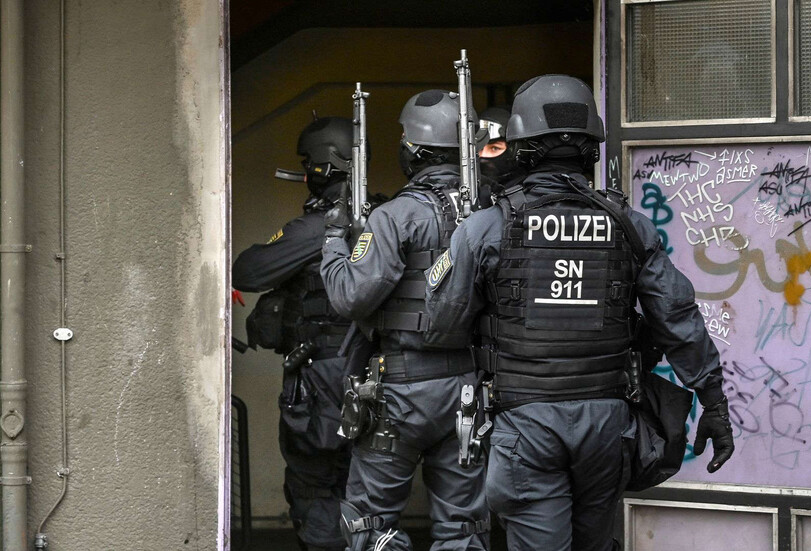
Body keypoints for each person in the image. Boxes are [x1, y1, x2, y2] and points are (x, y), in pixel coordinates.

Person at [425, 75, 734, 551]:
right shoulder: (629, 224)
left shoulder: (485, 227)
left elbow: (442, 326)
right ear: (591, 147)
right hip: (607, 423)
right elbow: (678, 319)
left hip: (525, 422)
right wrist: (713, 402)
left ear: (521, 145)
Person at [320, 90, 490, 551]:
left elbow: (350, 297)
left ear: (415, 149)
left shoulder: (395, 216)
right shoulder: (491, 213)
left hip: (400, 393)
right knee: (464, 528)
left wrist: (335, 240)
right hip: (467, 391)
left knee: (369, 524)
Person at [232, 116, 356, 551]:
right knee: (367, 487)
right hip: (378, 375)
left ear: (323, 163)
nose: (304, 172)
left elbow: (248, 270)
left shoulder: (318, 228)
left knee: (315, 485)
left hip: (324, 379)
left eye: (307, 163)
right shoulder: (388, 218)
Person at [477, 106, 525, 196]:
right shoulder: (467, 189)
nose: (483, 155)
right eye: (480, 148)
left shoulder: (528, 191)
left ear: (513, 151)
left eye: (495, 148)